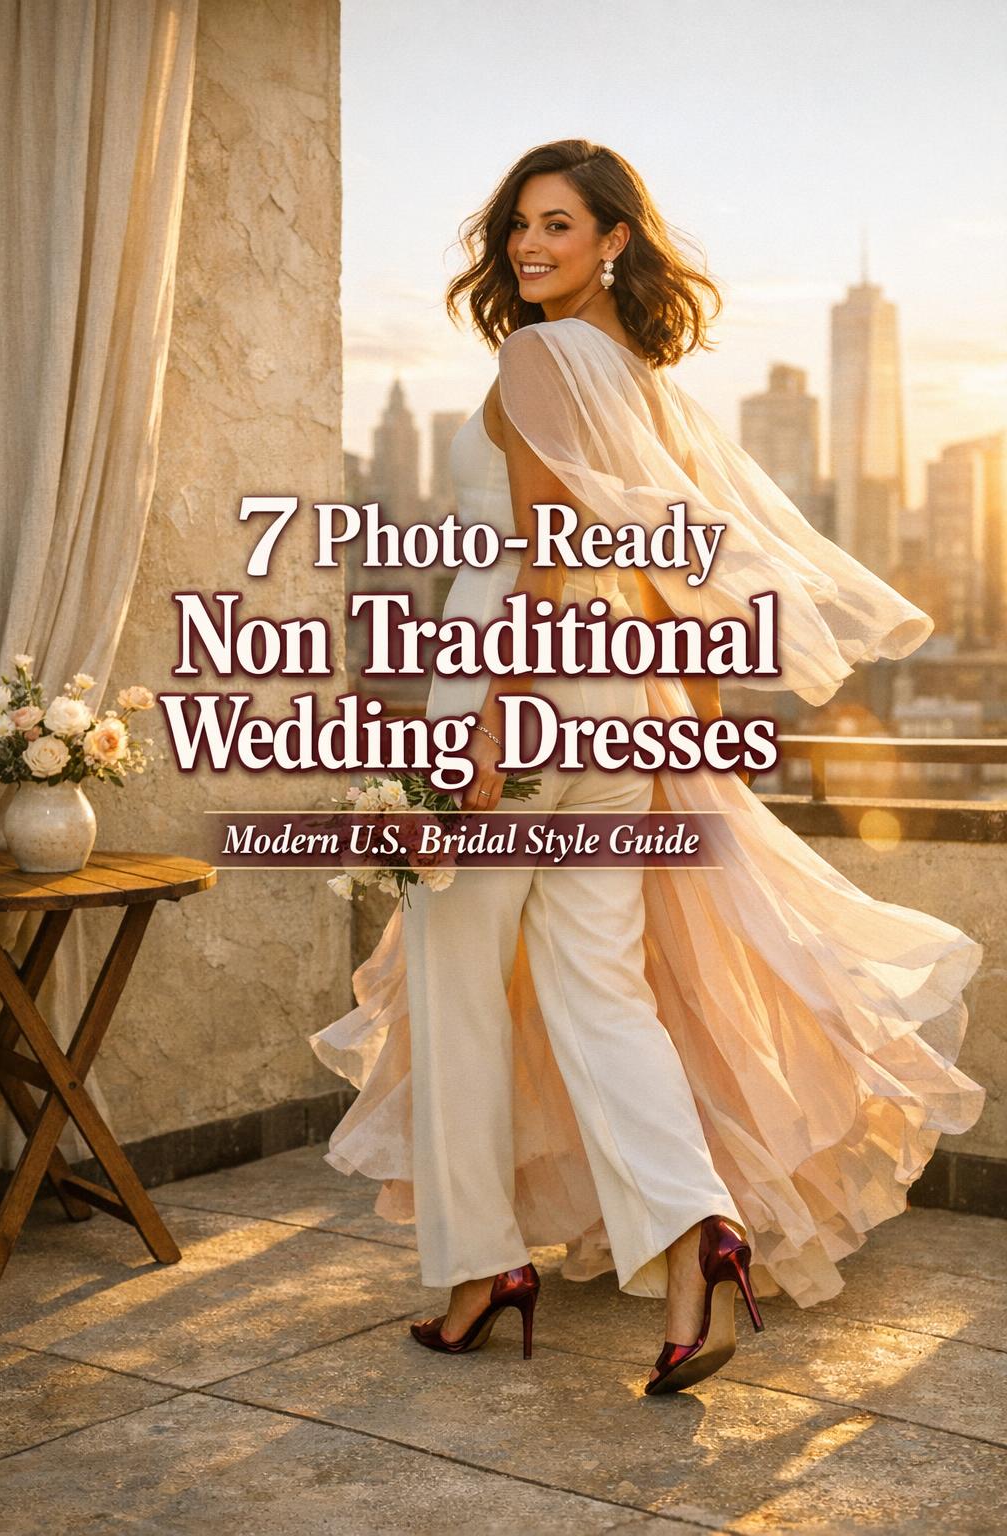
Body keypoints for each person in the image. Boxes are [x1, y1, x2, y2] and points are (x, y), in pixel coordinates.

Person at [310, 140, 986, 1395]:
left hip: (515, 695)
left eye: (557, 225)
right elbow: (671, 584)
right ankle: (697, 1242)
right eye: (518, 224)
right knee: (602, 998)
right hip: (617, 715)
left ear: (613, 240)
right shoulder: (642, 382)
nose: (527, 247)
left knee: (457, 994)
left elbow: (552, 561)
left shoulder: (534, 356)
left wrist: (492, 730)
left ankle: (479, 1272)